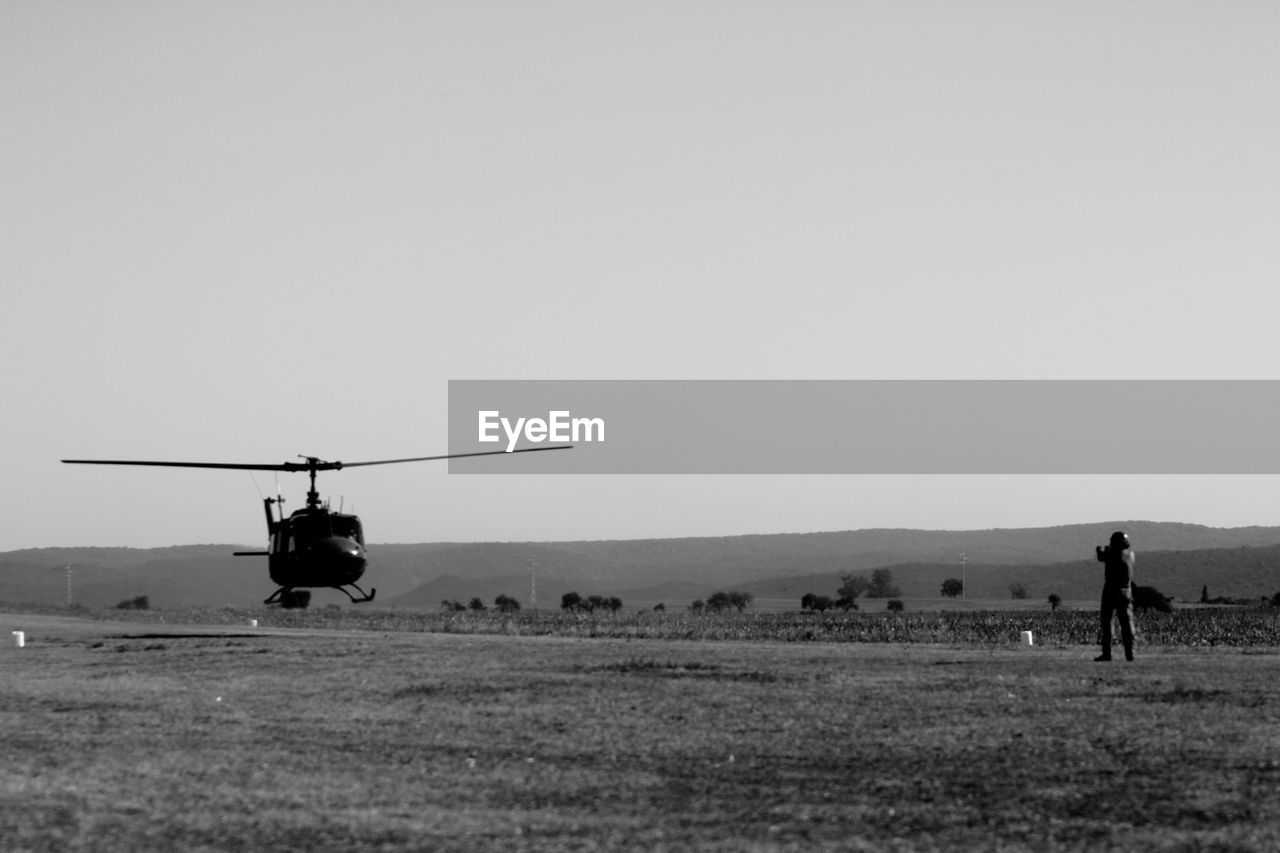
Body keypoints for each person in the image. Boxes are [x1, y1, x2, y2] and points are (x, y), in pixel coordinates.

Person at [1095, 531, 1136, 661]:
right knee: (1127, 623)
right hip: (1126, 591)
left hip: (1111, 590)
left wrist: (1099, 550)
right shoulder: (1130, 555)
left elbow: (1101, 557)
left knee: (1107, 623)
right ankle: (1130, 653)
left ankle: (1107, 653)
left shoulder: (1111, 554)